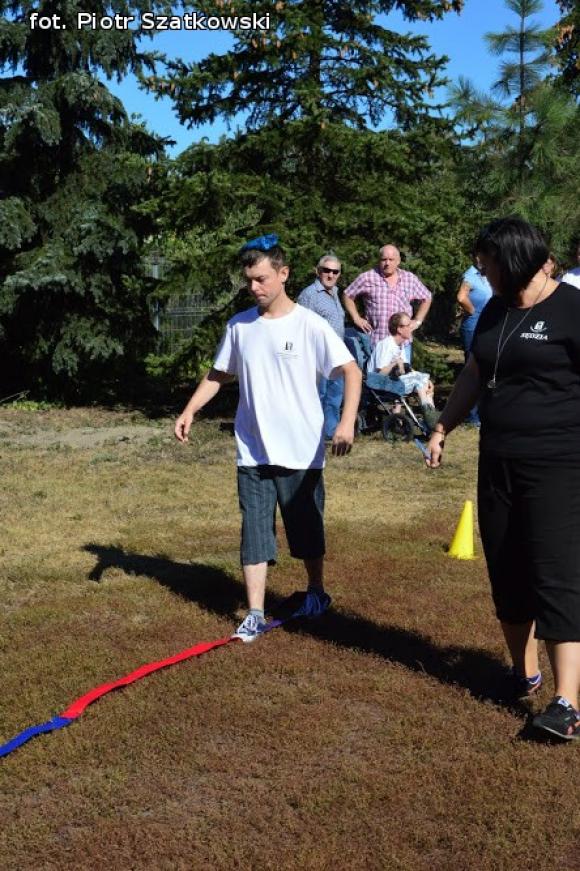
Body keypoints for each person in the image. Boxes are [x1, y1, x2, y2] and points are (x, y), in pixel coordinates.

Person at [427, 217, 580, 742]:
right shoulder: (496, 307)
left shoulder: (571, 309)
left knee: (556, 572)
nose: (480, 270)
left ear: (513, 259)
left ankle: (567, 702)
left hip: (559, 465)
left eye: (486, 262)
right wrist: (443, 425)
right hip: (498, 460)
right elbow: (474, 371)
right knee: (507, 568)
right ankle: (524, 671)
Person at [175, 235, 362, 643]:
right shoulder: (240, 326)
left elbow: (351, 370)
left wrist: (345, 423)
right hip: (253, 450)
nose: (254, 287)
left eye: (261, 279)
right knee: (254, 530)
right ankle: (255, 612)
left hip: (301, 452)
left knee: (307, 531)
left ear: (284, 274)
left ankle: (316, 591)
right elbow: (219, 373)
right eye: (249, 281)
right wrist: (190, 410)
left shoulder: (310, 325)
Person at [342, 244, 432, 358]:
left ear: (398, 261)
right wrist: (356, 318)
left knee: (402, 375)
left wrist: (418, 321)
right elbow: (347, 295)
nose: (387, 263)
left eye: (391, 259)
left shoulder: (409, 279)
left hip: (402, 344)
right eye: (384, 259)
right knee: (376, 375)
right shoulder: (368, 278)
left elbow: (427, 297)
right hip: (377, 343)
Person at [297, 253, 346, 439]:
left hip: (337, 355)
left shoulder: (334, 293)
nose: (331, 275)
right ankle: (313, 435)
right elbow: (300, 326)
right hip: (318, 356)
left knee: (334, 397)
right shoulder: (309, 295)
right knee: (318, 396)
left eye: (335, 271)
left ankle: (330, 434)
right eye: (326, 270)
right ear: (318, 271)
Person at [368, 312, 438, 429]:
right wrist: (395, 363)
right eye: (409, 325)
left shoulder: (400, 346)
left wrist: (427, 379)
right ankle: (431, 420)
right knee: (420, 382)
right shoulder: (386, 345)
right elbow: (380, 374)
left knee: (423, 382)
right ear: (399, 329)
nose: (412, 327)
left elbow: (406, 371)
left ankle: (431, 419)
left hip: (392, 382)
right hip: (378, 382)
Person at [456, 254, 492, 426]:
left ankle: (482, 412)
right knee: (473, 369)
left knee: (486, 368)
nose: (482, 259)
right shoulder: (470, 275)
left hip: (487, 324)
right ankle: (471, 416)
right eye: (479, 256)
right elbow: (461, 297)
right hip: (473, 326)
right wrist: (472, 311)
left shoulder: (486, 275)